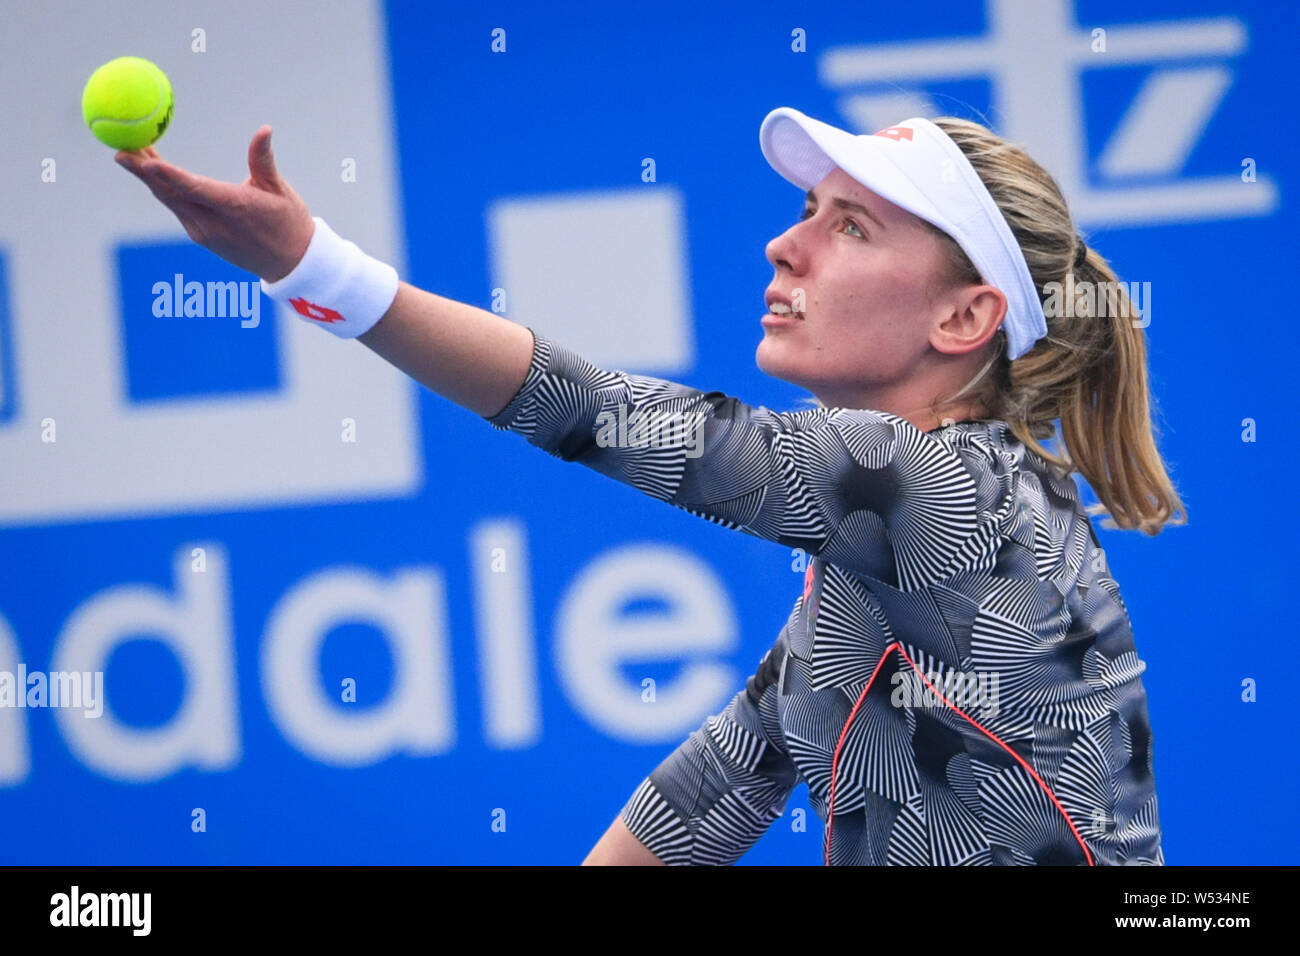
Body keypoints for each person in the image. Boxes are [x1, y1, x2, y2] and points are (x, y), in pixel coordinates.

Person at [114, 106, 1186, 866]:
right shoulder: (880, 559)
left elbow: (608, 416)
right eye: (808, 207)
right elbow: (717, 787)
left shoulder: (953, 491)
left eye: (848, 226)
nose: (784, 243)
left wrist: (319, 267)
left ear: (963, 319)